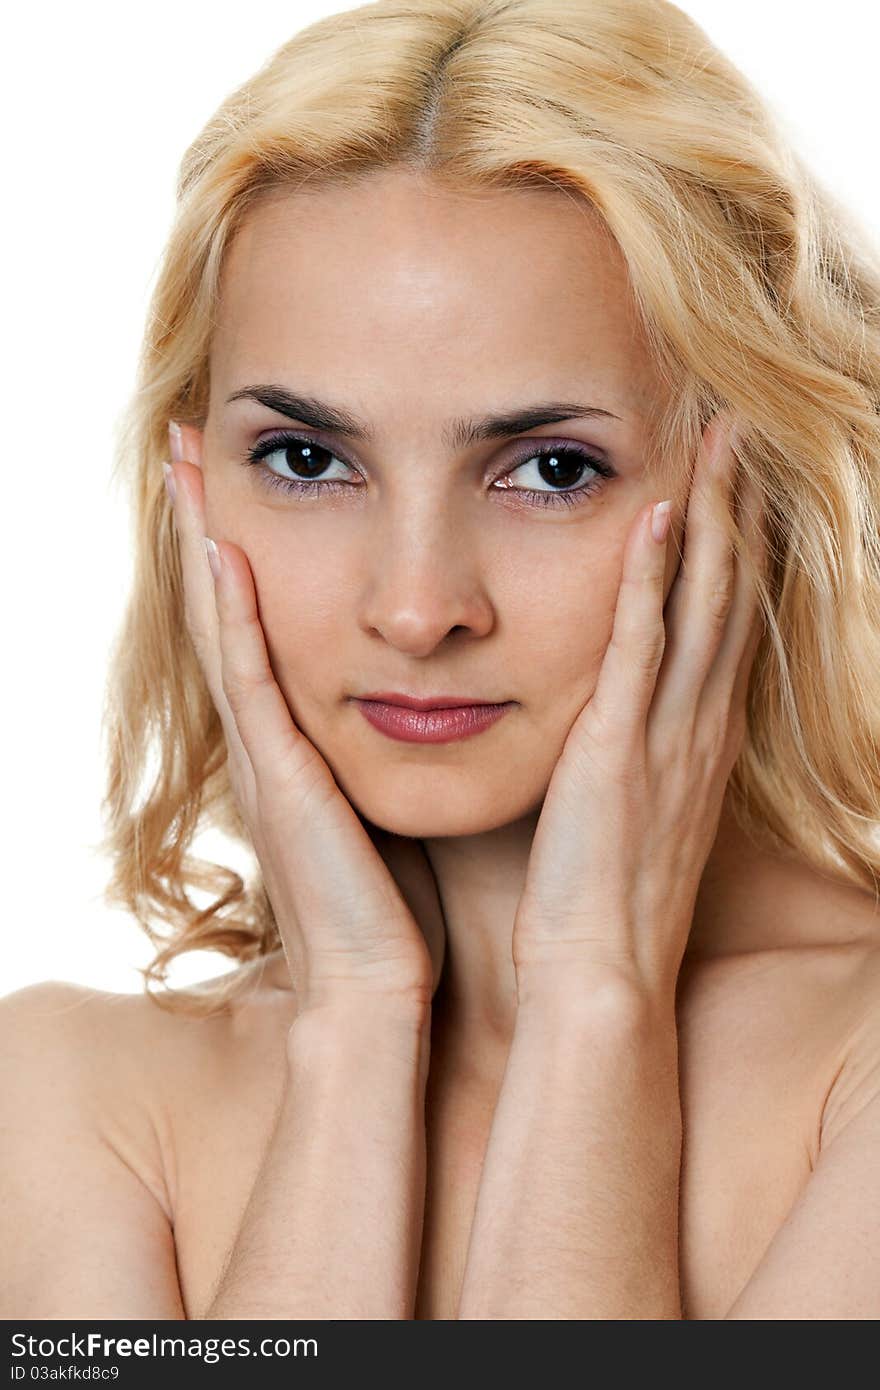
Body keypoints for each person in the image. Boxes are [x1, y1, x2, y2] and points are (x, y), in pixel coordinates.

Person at [2, 0, 879, 1321]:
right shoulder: (70, 1097)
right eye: (307, 460)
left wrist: (596, 996)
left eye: (549, 469)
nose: (417, 608)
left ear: (749, 495)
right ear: (192, 490)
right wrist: (353, 1027)